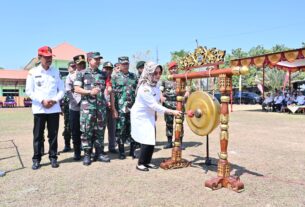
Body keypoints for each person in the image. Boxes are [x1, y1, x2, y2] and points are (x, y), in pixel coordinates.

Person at [131, 61, 182, 171]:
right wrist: (172, 111)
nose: (158, 75)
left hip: (149, 115)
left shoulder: (156, 86)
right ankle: (140, 163)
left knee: (151, 139)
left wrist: (163, 99)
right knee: (146, 139)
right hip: (140, 116)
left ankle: (147, 162)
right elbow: (154, 105)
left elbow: (159, 98)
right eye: (155, 73)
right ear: (149, 73)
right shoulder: (144, 88)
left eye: (159, 73)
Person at [26, 46, 65, 170]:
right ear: (39, 57)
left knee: (53, 135)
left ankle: (53, 157)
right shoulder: (33, 72)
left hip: (53, 108)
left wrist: (54, 100)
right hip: (39, 109)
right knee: (38, 135)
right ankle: (36, 159)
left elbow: (62, 90)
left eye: (50, 57)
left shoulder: (56, 71)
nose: (49, 59)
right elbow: (29, 91)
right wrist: (42, 100)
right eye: (46, 57)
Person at [74, 52, 111, 166]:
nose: (99, 61)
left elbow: (109, 85)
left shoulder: (103, 74)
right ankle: (87, 155)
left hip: (100, 108)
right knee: (86, 131)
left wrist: (109, 89)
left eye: (99, 59)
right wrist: (90, 92)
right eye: (96, 59)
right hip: (87, 108)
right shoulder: (81, 73)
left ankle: (99, 153)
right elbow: (76, 89)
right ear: (89, 60)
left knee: (100, 131)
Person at [112, 56, 138, 159]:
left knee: (133, 129)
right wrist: (114, 109)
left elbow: (137, 92)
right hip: (120, 109)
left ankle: (132, 151)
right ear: (119, 65)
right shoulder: (115, 77)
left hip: (132, 108)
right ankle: (121, 152)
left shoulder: (134, 76)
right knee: (120, 129)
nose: (125, 65)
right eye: (123, 64)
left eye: (127, 63)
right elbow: (112, 94)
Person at [160, 61, 188, 149]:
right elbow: (160, 90)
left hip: (179, 105)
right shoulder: (165, 80)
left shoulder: (182, 79)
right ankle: (169, 142)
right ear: (169, 70)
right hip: (168, 105)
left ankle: (180, 142)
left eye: (175, 68)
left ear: (177, 69)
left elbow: (187, 91)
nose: (174, 70)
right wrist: (161, 97)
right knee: (169, 124)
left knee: (179, 123)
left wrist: (185, 97)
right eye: (172, 68)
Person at [65, 55, 86, 160]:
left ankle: (88, 152)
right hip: (75, 107)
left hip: (87, 108)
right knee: (75, 131)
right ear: (75, 64)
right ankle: (77, 152)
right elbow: (68, 91)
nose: (81, 65)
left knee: (87, 130)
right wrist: (75, 101)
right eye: (79, 63)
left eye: (83, 63)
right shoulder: (70, 76)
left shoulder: (89, 74)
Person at [102, 61, 118, 153]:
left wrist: (113, 108)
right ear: (103, 68)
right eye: (106, 68)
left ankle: (112, 147)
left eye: (110, 69)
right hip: (101, 108)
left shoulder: (114, 79)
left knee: (112, 128)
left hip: (112, 107)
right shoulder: (99, 78)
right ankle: (100, 148)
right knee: (101, 129)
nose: (108, 70)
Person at [61, 62, 75, 152]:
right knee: (67, 125)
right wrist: (61, 105)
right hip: (67, 104)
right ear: (68, 69)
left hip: (77, 104)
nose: (73, 68)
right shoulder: (63, 79)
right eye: (71, 67)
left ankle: (78, 143)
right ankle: (67, 144)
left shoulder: (80, 77)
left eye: (75, 66)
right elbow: (61, 92)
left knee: (77, 125)